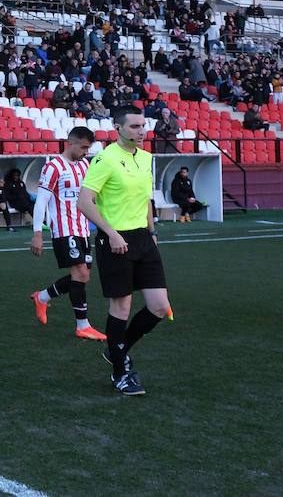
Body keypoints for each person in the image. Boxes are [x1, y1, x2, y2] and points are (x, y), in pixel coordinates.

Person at [78, 106, 171, 396]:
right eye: (134, 127)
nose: (141, 131)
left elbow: (146, 200)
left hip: (143, 239)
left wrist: (152, 232)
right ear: (118, 128)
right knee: (121, 307)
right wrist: (111, 233)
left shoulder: (146, 158)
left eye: (143, 126)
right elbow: (84, 202)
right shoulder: (105, 159)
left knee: (159, 306)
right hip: (115, 240)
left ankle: (116, 350)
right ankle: (120, 372)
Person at [28, 126, 106, 341]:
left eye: (88, 148)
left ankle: (42, 297)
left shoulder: (84, 166)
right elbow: (41, 201)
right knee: (80, 274)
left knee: (82, 276)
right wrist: (37, 234)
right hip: (63, 230)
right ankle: (83, 326)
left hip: (82, 229)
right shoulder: (53, 167)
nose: (86, 152)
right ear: (70, 143)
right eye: (83, 147)